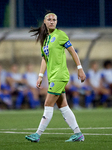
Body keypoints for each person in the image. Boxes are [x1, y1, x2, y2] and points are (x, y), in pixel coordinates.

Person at [25, 11, 86, 142]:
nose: (52, 21)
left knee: (48, 103)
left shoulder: (60, 35)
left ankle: (37, 134)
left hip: (60, 75)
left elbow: (72, 52)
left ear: (56, 22)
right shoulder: (45, 40)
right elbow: (44, 59)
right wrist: (40, 76)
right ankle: (78, 133)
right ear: (45, 22)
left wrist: (80, 69)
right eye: (49, 19)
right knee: (63, 106)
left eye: (54, 19)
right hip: (52, 76)